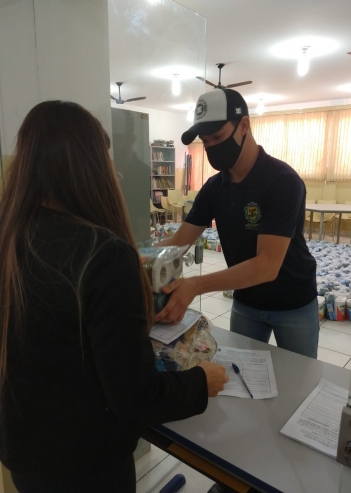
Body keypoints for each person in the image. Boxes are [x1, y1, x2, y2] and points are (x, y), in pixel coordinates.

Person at [0, 101, 228, 493]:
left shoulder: (12, 237)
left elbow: (54, 333)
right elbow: (136, 398)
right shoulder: (103, 253)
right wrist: (198, 383)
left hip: (25, 452)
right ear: (91, 167)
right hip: (85, 464)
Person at [156, 88, 319, 360]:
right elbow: (179, 242)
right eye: (205, 142)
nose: (211, 148)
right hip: (245, 302)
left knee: (300, 381)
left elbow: (267, 265)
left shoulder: (282, 181)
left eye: (218, 137)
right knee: (243, 375)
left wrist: (195, 285)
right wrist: (138, 258)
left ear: (244, 126)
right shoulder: (214, 188)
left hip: (293, 304)